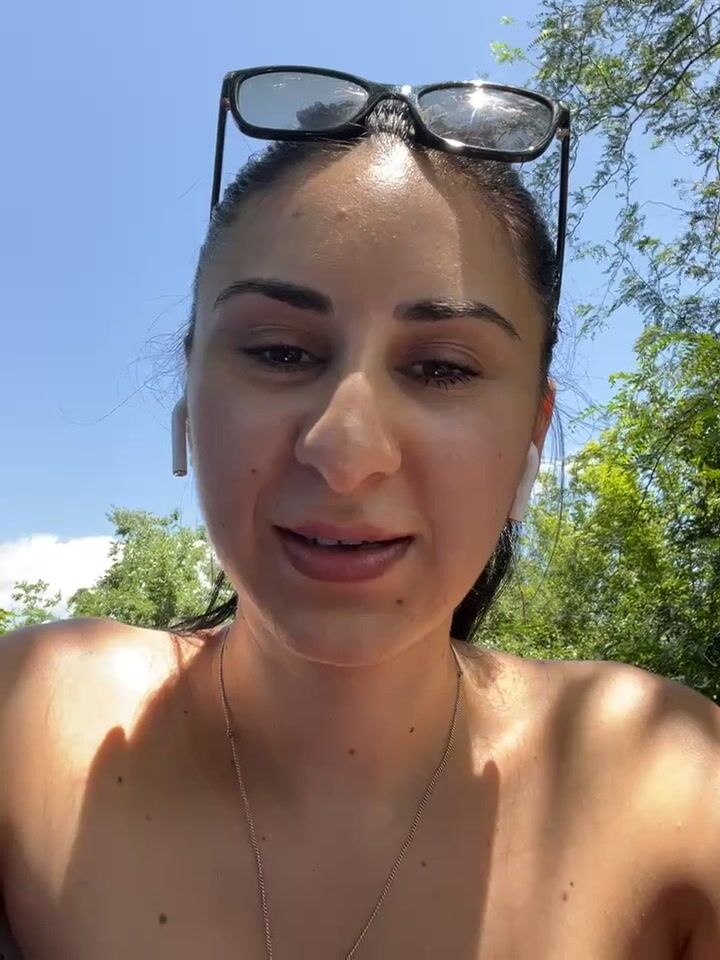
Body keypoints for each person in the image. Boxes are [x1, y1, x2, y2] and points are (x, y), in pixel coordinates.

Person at [1, 68, 719, 960]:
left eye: (443, 368)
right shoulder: (26, 723)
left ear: (531, 437)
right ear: (189, 397)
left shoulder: (674, 784)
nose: (346, 450)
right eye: (279, 350)